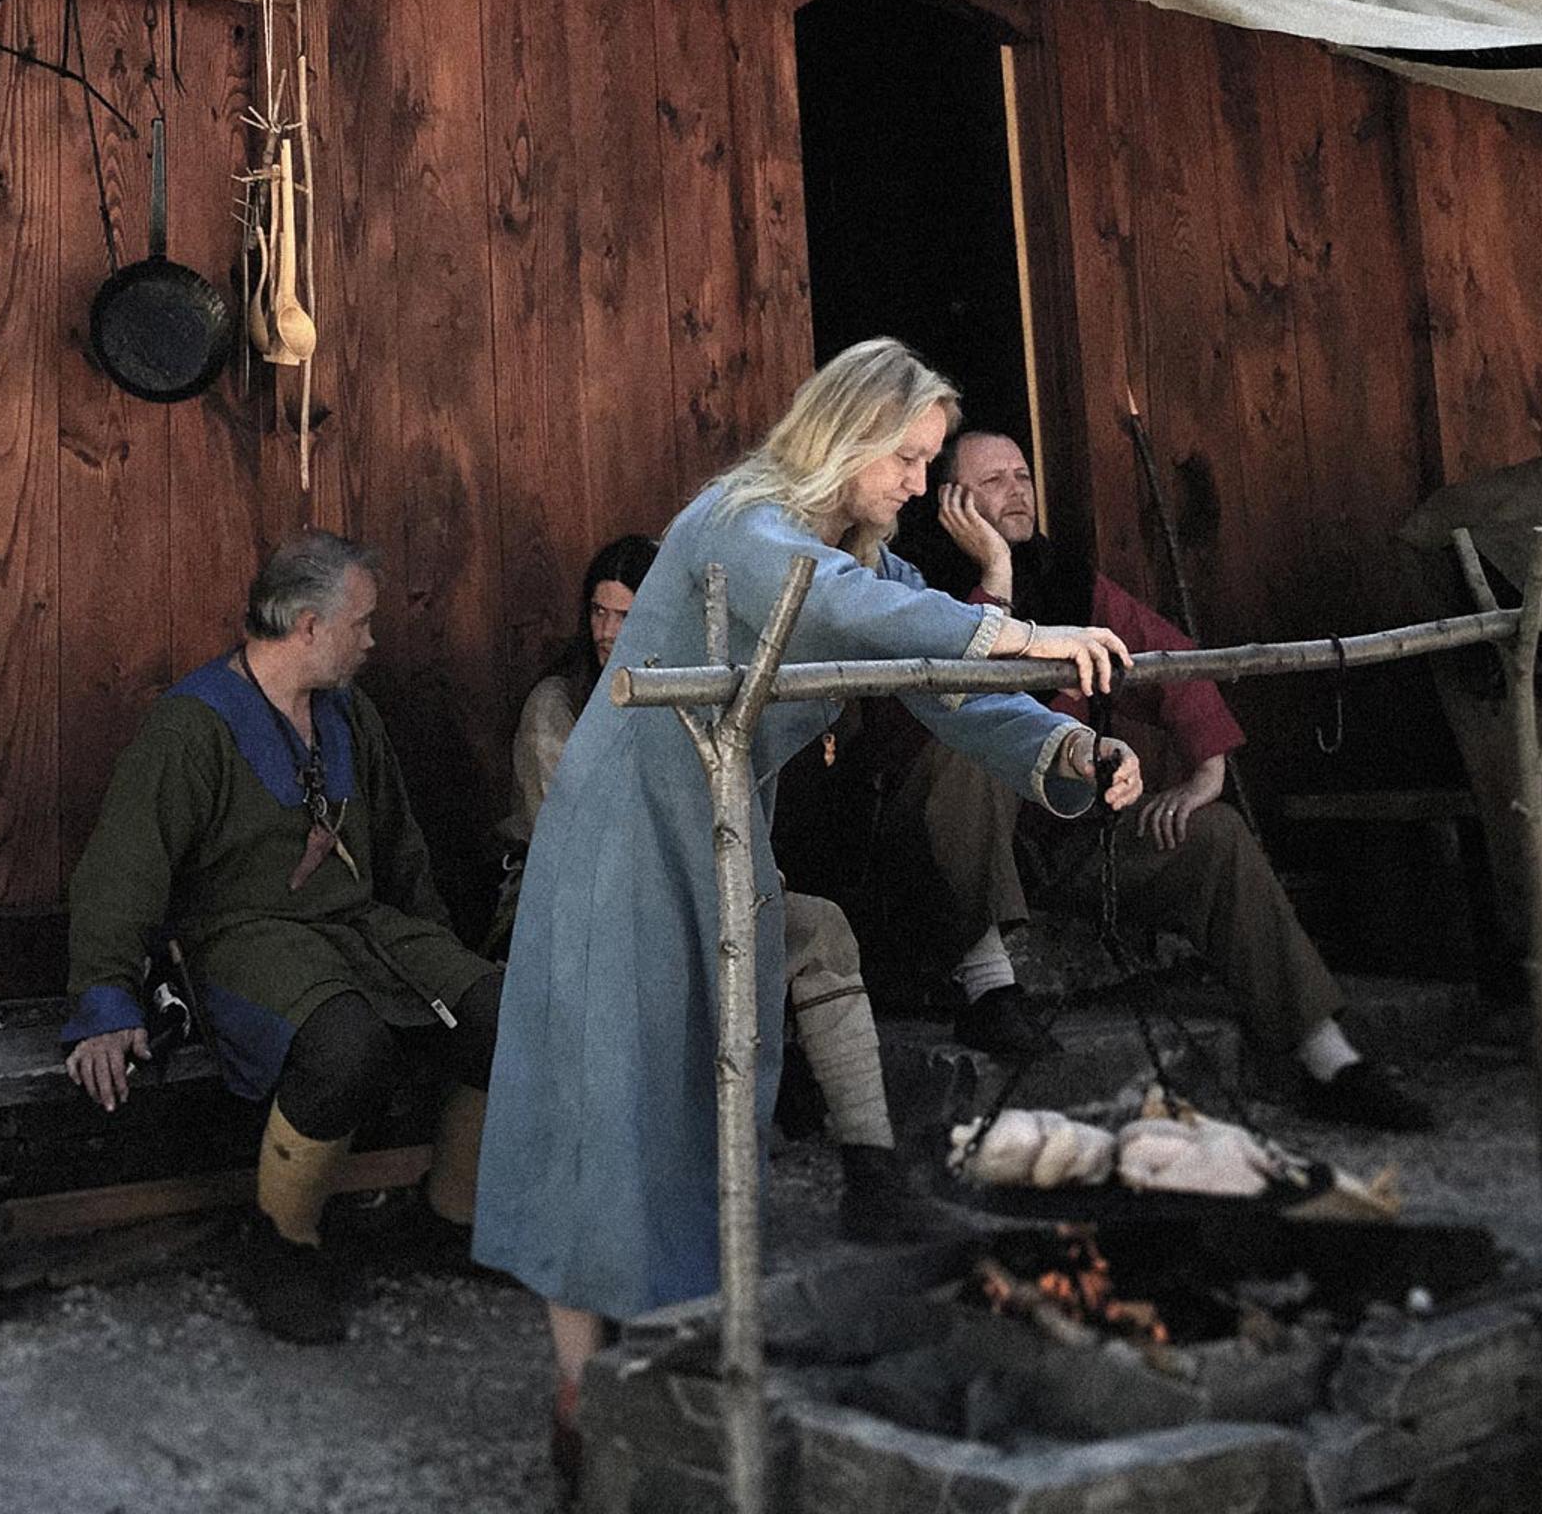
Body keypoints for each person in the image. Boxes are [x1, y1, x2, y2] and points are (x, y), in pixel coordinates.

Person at [471, 339, 1137, 1481]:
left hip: (721, 838)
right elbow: (837, 606)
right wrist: (1025, 634)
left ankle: (683, 1360)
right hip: (622, 843)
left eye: (929, 464)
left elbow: (941, 678)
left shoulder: (861, 556)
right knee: (612, 1103)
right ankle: (585, 1396)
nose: (919, 487)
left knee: (710, 1096)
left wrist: (1068, 745)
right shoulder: (743, 522)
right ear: (850, 433)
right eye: (911, 460)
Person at [900, 429, 1438, 1132]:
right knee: (970, 749)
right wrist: (993, 575)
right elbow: (962, 704)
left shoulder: (1067, 582)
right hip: (945, 848)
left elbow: (1166, 655)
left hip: (1065, 840)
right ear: (949, 502)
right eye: (994, 480)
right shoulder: (915, 586)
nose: (1018, 489)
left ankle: (1327, 1058)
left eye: (1023, 475)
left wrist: (1205, 768)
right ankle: (989, 990)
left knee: (1212, 836)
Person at [59, 531, 501, 1345]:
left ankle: (450, 1218)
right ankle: (282, 1247)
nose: (372, 641)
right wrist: (104, 999)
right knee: (345, 1046)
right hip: (241, 938)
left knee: (496, 1010)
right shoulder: (190, 728)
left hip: (362, 929)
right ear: (307, 625)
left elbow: (400, 846)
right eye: (360, 623)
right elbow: (121, 869)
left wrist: (439, 956)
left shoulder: (348, 715)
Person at [492, 533, 938, 1243]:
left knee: (819, 928)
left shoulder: (707, 695)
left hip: (693, 897)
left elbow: (739, 823)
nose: (608, 631)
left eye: (624, 615)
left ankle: (871, 1166)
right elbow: (573, 849)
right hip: (576, 907)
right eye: (598, 614)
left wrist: (747, 883)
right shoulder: (559, 707)